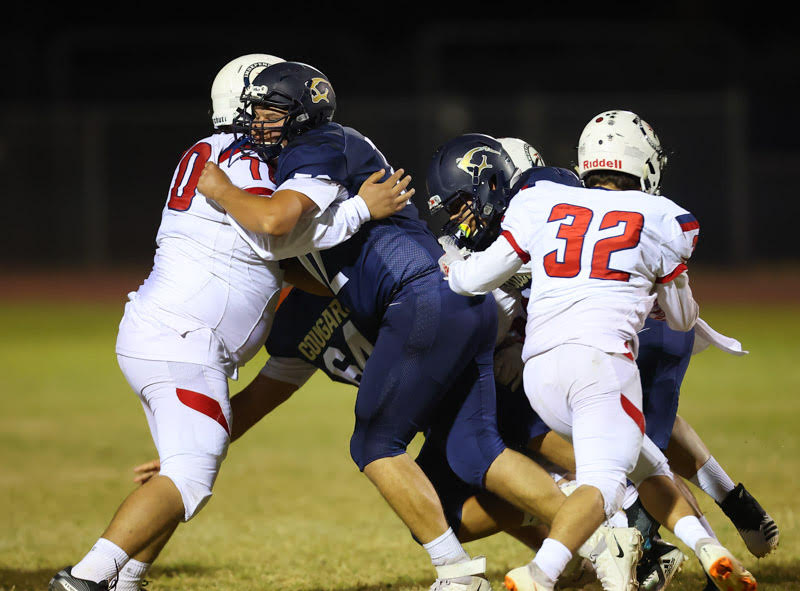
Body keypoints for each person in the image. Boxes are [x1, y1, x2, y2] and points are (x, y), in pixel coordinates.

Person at [198, 62, 641, 591]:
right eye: (256, 110)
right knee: (475, 448)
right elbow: (293, 249)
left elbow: (276, 221)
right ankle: (605, 542)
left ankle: (456, 574)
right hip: (450, 301)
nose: (260, 121)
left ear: (302, 115)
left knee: (374, 444)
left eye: (271, 110)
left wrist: (223, 192)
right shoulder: (316, 168)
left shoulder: (317, 145)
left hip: (419, 300)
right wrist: (192, 444)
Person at [48, 54, 410, 591]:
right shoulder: (243, 159)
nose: (267, 117)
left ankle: (128, 579)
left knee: (184, 468)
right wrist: (359, 209)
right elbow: (272, 229)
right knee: (191, 475)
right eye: (262, 104)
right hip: (184, 338)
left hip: (170, 332)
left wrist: (352, 285)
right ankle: (85, 578)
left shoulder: (216, 152)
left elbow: (278, 263)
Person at [441, 110, 757, 591]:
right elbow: (680, 319)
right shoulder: (659, 216)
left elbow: (473, 279)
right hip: (600, 363)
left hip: (539, 373)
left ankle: (709, 548)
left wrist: (451, 271)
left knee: (644, 463)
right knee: (604, 483)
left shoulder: (543, 201)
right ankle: (540, 572)